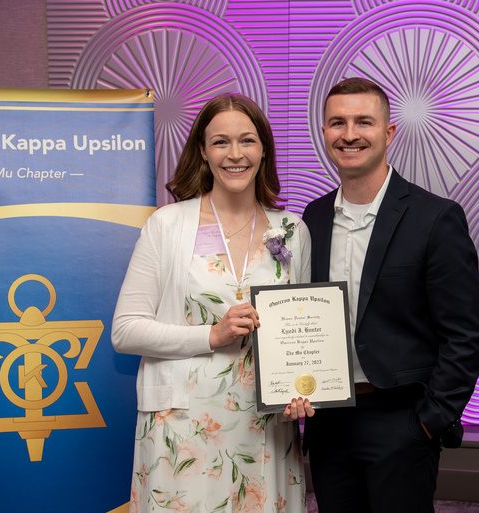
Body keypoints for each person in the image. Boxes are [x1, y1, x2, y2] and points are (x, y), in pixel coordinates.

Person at [112, 93, 312, 513]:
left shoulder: (292, 229)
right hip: (183, 424)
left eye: (247, 141)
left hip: (264, 426)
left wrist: (303, 386)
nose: (235, 154)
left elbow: (304, 327)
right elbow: (125, 330)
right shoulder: (167, 225)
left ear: (264, 149)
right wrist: (212, 334)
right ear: (202, 151)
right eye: (220, 142)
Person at [296, 77, 479, 513]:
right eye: (337, 123)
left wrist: (429, 421)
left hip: (402, 420)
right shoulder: (314, 216)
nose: (350, 134)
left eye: (364, 121)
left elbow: (467, 333)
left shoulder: (436, 217)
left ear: (389, 133)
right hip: (329, 422)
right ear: (323, 132)